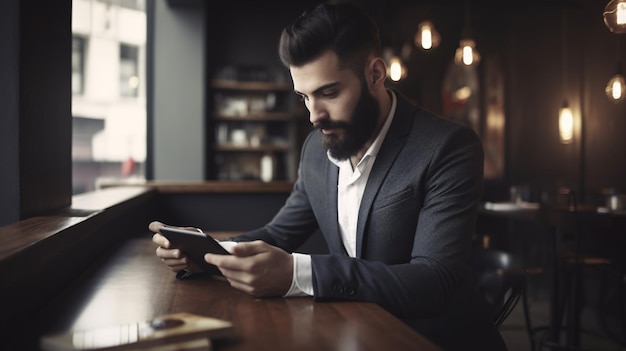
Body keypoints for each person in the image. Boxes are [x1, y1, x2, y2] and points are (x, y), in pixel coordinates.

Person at [150, 2, 507, 350]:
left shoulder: (448, 147)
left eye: (329, 93)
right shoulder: (315, 152)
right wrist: (207, 255)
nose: (314, 115)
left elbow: (433, 281)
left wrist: (296, 274)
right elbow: (279, 234)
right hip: (359, 334)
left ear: (375, 75)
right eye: (304, 97)